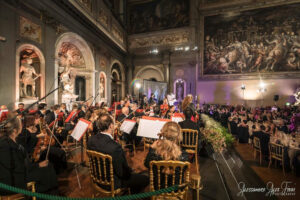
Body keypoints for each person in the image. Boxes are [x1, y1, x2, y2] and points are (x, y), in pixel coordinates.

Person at [87, 114, 149, 194]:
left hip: (96, 178)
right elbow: (122, 173)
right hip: (112, 183)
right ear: (111, 126)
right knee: (145, 179)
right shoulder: (115, 147)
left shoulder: (91, 140)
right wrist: (130, 171)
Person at [0, 113, 57, 195]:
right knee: (47, 172)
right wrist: (37, 166)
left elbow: (20, 165)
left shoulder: (9, 140)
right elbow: (19, 169)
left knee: (48, 166)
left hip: (16, 175)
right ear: (15, 130)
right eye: (21, 125)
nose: (22, 127)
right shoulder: (6, 145)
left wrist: (37, 165)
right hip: (11, 183)